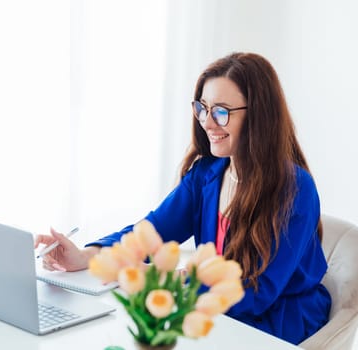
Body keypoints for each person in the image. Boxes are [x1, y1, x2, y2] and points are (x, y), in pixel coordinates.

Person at [35, 52, 331, 345]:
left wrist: (176, 280)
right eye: (202, 108)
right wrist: (86, 256)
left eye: (221, 111)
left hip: (276, 321)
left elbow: (258, 293)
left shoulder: (294, 188)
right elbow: (151, 232)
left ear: (258, 115)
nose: (207, 122)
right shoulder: (207, 173)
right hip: (217, 307)